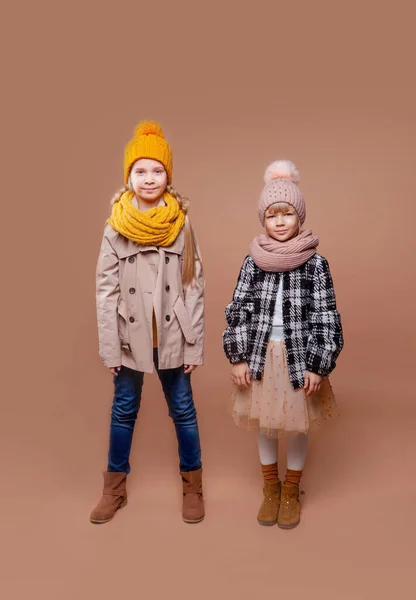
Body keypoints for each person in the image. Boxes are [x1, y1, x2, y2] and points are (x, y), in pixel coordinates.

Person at [90, 121, 205, 525]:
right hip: (128, 338)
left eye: (157, 170)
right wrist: (109, 346)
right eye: (140, 170)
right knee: (123, 409)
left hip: (173, 334)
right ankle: (113, 489)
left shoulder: (182, 223)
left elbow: (194, 284)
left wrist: (194, 344)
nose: (149, 178)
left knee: (184, 411)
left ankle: (193, 487)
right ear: (128, 177)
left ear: (168, 176)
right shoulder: (114, 228)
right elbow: (104, 291)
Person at [222, 160, 344, 529]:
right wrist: (238, 356)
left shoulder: (315, 264)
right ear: (263, 219)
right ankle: (270, 488)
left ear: (299, 217)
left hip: (297, 358)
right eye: (272, 215)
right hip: (261, 357)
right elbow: (237, 309)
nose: (279, 221)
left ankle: (291, 490)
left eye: (287, 213)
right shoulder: (252, 262)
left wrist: (317, 364)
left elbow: (326, 315)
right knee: (265, 425)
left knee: (297, 426)